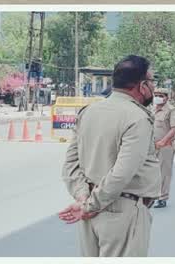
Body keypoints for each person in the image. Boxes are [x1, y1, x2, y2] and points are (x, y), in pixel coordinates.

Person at [60, 55, 160, 257]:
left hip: (90, 208)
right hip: (121, 212)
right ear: (142, 86)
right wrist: (90, 205)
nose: (154, 87)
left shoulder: (89, 112)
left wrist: (83, 198)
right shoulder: (137, 118)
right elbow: (122, 173)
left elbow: (71, 164)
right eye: (151, 81)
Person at [153, 89, 175, 208]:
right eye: (156, 95)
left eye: (161, 96)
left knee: (164, 172)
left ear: (166, 98)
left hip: (165, 146)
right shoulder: (152, 109)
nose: (158, 97)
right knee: (151, 172)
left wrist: (163, 141)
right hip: (152, 146)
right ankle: (151, 195)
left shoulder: (171, 110)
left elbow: (174, 127)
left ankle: (162, 198)